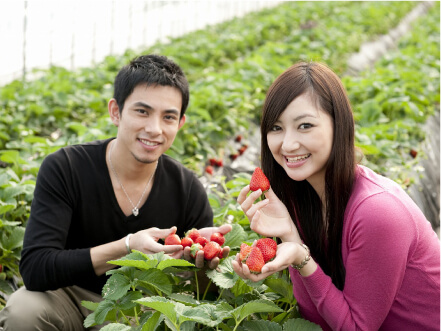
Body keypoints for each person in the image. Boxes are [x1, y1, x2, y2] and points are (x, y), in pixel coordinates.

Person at [0, 54, 231, 330]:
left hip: (142, 307)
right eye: (142, 111)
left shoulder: (187, 188)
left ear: (180, 123)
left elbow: (205, 295)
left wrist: (204, 265)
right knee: (24, 310)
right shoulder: (66, 168)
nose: (154, 129)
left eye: (168, 117)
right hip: (72, 298)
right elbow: (36, 268)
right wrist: (127, 246)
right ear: (115, 112)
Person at [232, 61, 440, 330]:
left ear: (339, 125)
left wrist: (301, 258)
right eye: (276, 127)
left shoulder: (377, 212)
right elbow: (320, 321)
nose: (288, 144)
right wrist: (290, 236)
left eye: (305, 125)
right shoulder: (305, 199)